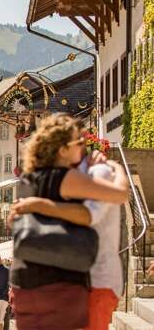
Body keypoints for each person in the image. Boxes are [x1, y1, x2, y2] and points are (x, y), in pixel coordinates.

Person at [9, 114, 128, 330]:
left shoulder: (29, 178)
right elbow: (113, 198)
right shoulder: (67, 178)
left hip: (23, 283)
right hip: (58, 284)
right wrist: (117, 168)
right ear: (62, 150)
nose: (84, 147)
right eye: (79, 142)